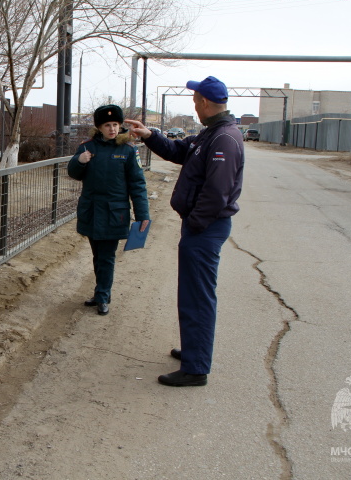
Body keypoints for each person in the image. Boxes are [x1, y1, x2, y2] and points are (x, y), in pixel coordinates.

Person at [126, 76, 244, 387]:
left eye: (195, 100)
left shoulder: (224, 139)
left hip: (204, 228)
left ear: (204, 102)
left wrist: (194, 224)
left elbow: (217, 192)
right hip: (201, 227)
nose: (193, 104)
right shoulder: (211, 135)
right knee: (192, 294)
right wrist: (149, 135)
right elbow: (178, 151)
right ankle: (194, 351)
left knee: (197, 297)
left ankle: (196, 368)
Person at [68, 104, 150, 316]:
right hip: (92, 211)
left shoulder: (128, 150)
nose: (112, 129)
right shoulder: (88, 148)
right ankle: (100, 292)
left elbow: (138, 184)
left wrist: (143, 216)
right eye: (107, 125)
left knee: (106, 256)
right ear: (99, 127)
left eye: (115, 124)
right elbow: (74, 173)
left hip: (115, 212)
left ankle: (103, 296)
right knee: (98, 255)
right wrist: (79, 161)